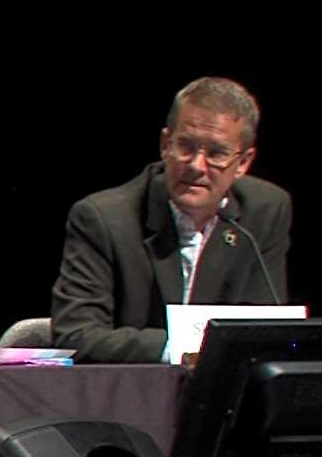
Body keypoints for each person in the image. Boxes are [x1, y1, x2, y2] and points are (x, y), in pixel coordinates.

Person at [51, 77, 291, 363]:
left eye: (216, 154)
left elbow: (264, 329)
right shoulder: (103, 218)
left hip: (224, 396)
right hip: (130, 392)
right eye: (186, 146)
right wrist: (182, 349)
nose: (196, 165)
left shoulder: (264, 211)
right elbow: (76, 334)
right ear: (165, 144)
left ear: (243, 162)